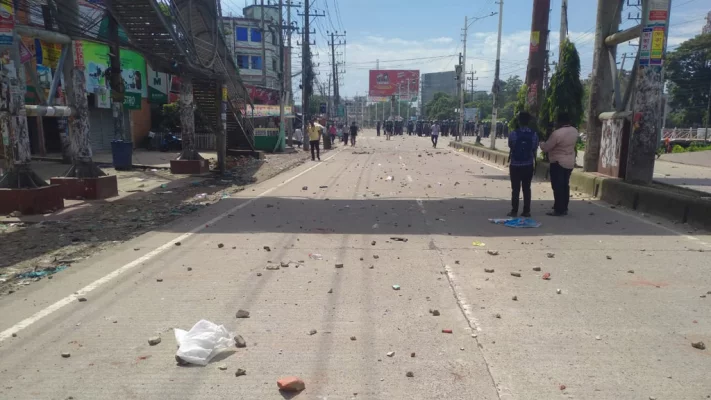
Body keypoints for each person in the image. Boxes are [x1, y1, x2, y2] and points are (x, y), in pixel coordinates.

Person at [540, 112, 579, 216]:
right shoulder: (574, 131)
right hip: (570, 161)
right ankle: (564, 207)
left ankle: (558, 209)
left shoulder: (557, 133)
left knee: (557, 186)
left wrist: (541, 143)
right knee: (565, 185)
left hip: (558, 162)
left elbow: (547, 147)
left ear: (560, 122)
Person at [507, 112, 539, 218]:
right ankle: (526, 211)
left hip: (515, 164)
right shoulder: (534, 134)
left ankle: (514, 210)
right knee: (527, 188)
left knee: (515, 188)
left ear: (519, 121)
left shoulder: (513, 133)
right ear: (529, 121)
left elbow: (510, 145)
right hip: (528, 164)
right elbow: (534, 148)